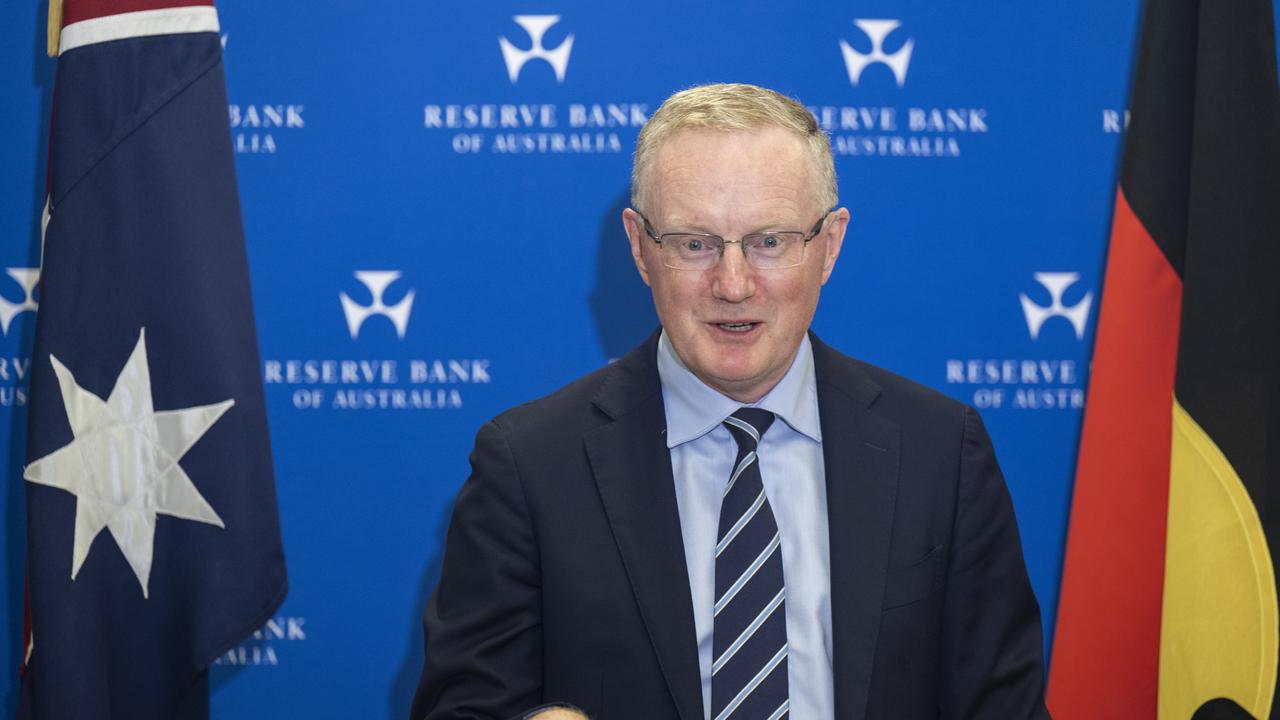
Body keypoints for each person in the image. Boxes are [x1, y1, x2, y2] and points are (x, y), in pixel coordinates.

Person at [410, 83, 1050, 720]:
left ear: (828, 246)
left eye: (770, 241)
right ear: (639, 248)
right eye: (696, 244)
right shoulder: (528, 464)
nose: (734, 284)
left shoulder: (941, 450)